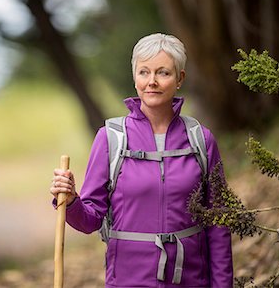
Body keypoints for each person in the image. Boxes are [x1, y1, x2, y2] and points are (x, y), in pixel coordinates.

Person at [50, 33, 233, 288]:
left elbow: (218, 225)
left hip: (190, 280)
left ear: (180, 78)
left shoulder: (201, 140)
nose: (152, 82)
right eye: (144, 72)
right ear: (135, 77)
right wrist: (70, 201)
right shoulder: (111, 138)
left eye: (163, 73)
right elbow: (89, 220)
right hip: (128, 280)